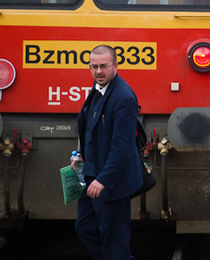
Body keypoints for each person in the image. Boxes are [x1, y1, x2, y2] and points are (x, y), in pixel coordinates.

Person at [73, 45, 142, 260]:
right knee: (84, 227)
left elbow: (122, 147)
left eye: (104, 66)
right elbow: (93, 128)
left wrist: (104, 179)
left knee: (115, 242)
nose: (99, 71)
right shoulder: (98, 89)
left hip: (111, 183)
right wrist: (81, 154)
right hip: (92, 175)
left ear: (115, 66)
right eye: (94, 66)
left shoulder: (123, 97)